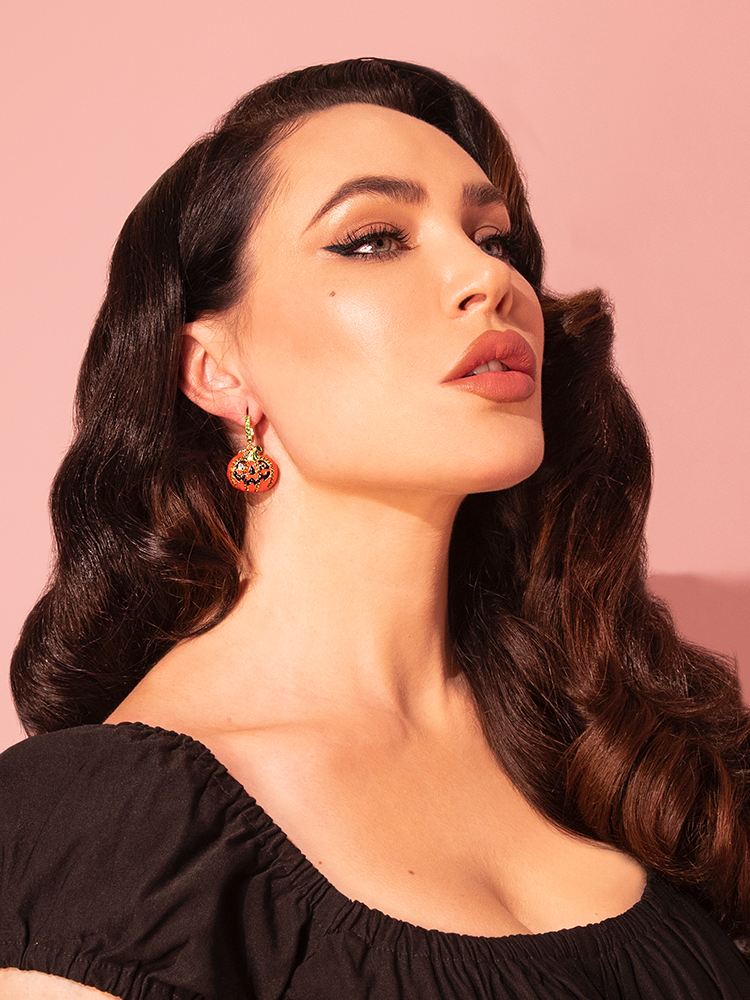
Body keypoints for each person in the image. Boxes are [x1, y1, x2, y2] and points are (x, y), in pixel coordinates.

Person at [0, 56, 748, 1000]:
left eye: (493, 239)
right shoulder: (99, 833)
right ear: (216, 370)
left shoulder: (622, 746)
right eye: (373, 240)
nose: (487, 277)